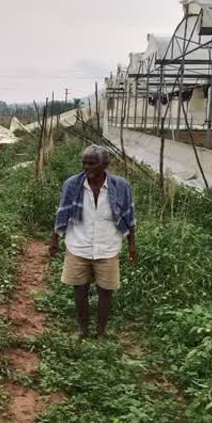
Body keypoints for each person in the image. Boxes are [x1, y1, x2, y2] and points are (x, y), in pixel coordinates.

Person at [49, 144, 137, 338]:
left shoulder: (121, 186)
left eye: (92, 163)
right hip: (78, 244)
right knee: (79, 288)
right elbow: (62, 213)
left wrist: (132, 244)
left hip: (108, 246)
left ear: (104, 164)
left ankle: (101, 331)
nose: (87, 167)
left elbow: (129, 215)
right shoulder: (72, 184)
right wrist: (55, 240)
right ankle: (83, 328)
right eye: (84, 163)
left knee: (106, 290)